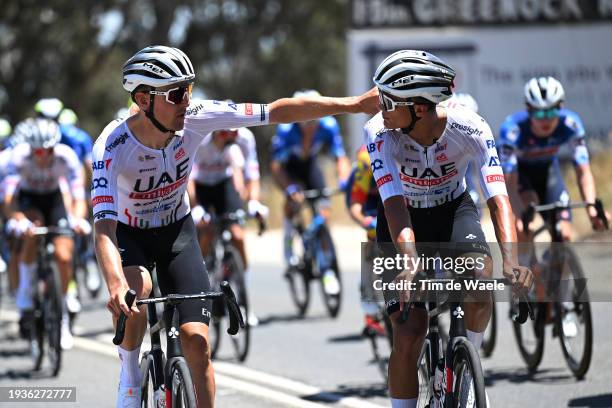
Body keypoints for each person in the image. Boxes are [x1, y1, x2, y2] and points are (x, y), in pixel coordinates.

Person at [92, 45, 378, 408]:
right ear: (144, 99)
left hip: (176, 231)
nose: (187, 101)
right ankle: (131, 378)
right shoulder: (112, 146)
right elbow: (103, 227)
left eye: (189, 91)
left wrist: (354, 104)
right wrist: (115, 284)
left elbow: (277, 111)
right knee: (140, 288)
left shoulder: (198, 117)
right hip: (129, 235)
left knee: (197, 342)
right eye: (177, 94)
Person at [365, 50, 533, 408]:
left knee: (478, 274)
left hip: (452, 209)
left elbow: (498, 199)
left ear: (420, 108)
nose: (380, 107)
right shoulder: (379, 133)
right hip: (402, 219)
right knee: (409, 333)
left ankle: (468, 365)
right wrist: (409, 263)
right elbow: (394, 204)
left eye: (388, 100)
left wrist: (512, 260)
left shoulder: (471, 127)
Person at [2, 118, 89, 350]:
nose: (42, 156)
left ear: (55, 147)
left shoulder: (66, 157)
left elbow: (78, 196)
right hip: (28, 201)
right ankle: (26, 291)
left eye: (47, 150)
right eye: (37, 151)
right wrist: (18, 220)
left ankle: (61, 315)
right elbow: (9, 201)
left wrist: (78, 219)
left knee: (63, 254)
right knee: (33, 230)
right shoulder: (19, 158)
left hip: (55, 200)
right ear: (30, 148)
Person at [499, 76, 609, 241]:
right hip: (521, 177)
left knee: (564, 236)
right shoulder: (512, 130)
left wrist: (591, 208)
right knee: (524, 226)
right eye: (540, 112)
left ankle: (556, 263)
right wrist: (519, 214)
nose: (546, 119)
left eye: (551, 111)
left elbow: (583, 171)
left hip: (550, 173)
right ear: (528, 110)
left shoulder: (571, 124)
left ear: (561, 107)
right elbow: (509, 182)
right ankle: (529, 263)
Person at [270, 89, 351, 294]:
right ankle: (288, 245)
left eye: (314, 122)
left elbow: (340, 157)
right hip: (290, 168)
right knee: (293, 202)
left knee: (323, 211)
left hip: (310, 166)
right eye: (306, 122)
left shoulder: (328, 125)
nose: (310, 128)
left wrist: (344, 178)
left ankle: (327, 269)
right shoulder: (286, 130)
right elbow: (277, 167)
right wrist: (289, 188)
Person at [188, 126, 267, 326]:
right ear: (214, 132)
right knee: (205, 230)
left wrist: (253, 202)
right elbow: (188, 177)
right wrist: (196, 207)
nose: (230, 138)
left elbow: (250, 174)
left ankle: (243, 299)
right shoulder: (199, 137)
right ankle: (204, 276)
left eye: (234, 134)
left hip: (224, 183)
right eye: (224, 133)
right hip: (200, 186)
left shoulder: (244, 139)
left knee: (238, 235)